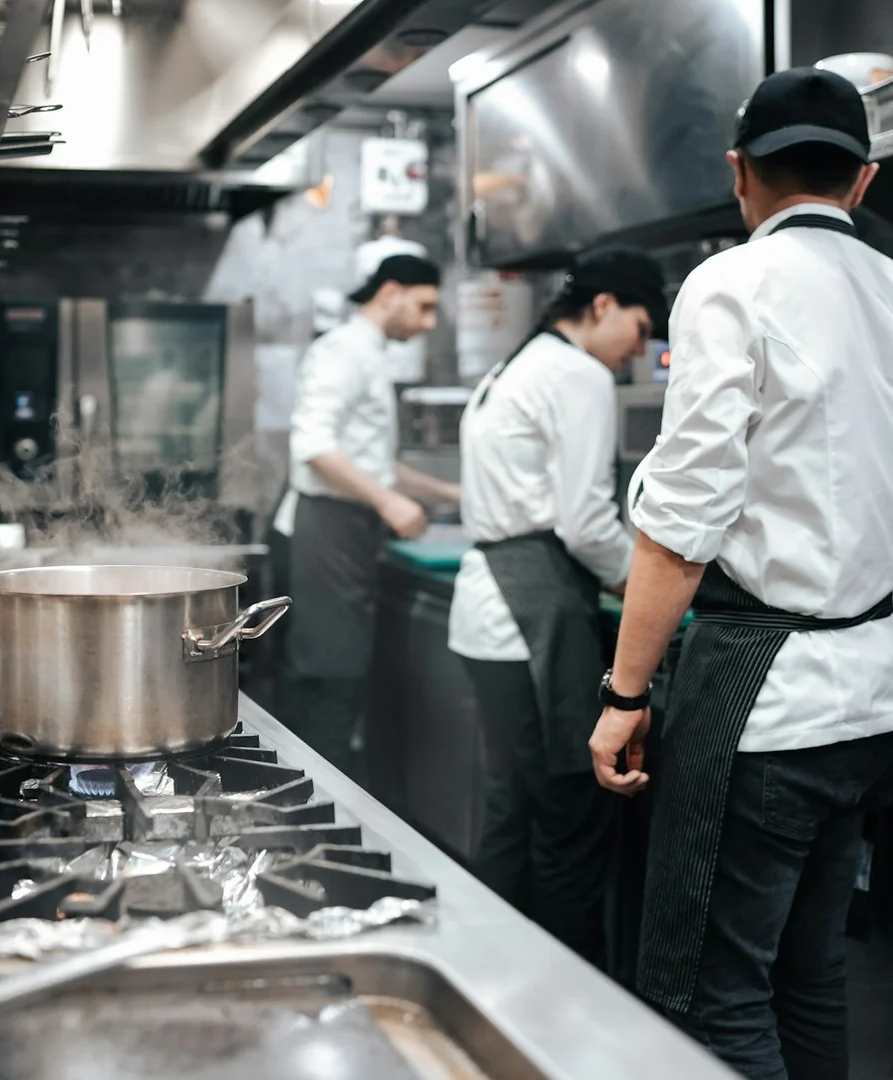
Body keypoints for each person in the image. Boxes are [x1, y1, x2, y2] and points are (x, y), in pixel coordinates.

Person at [588, 68, 893, 1079]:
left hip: (768, 710)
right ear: (864, 182)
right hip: (878, 707)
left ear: (740, 174)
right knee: (807, 977)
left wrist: (624, 693)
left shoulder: (733, 286)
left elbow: (681, 527)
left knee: (711, 998)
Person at [448, 248, 667, 964]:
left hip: (489, 613)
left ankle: (490, 980)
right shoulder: (577, 373)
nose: (640, 348)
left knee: (512, 811)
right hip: (530, 615)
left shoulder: (520, 361)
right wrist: (651, 584)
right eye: (639, 327)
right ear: (602, 306)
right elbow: (586, 522)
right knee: (568, 822)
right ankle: (563, 1006)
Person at [277, 253, 461, 773]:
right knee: (329, 675)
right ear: (390, 292)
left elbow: (372, 461)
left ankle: (324, 795)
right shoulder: (342, 351)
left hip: (346, 530)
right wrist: (386, 500)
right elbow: (314, 445)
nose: (427, 323)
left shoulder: (369, 353)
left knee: (341, 672)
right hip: (326, 529)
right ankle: (312, 806)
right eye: (423, 307)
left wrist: (443, 490)